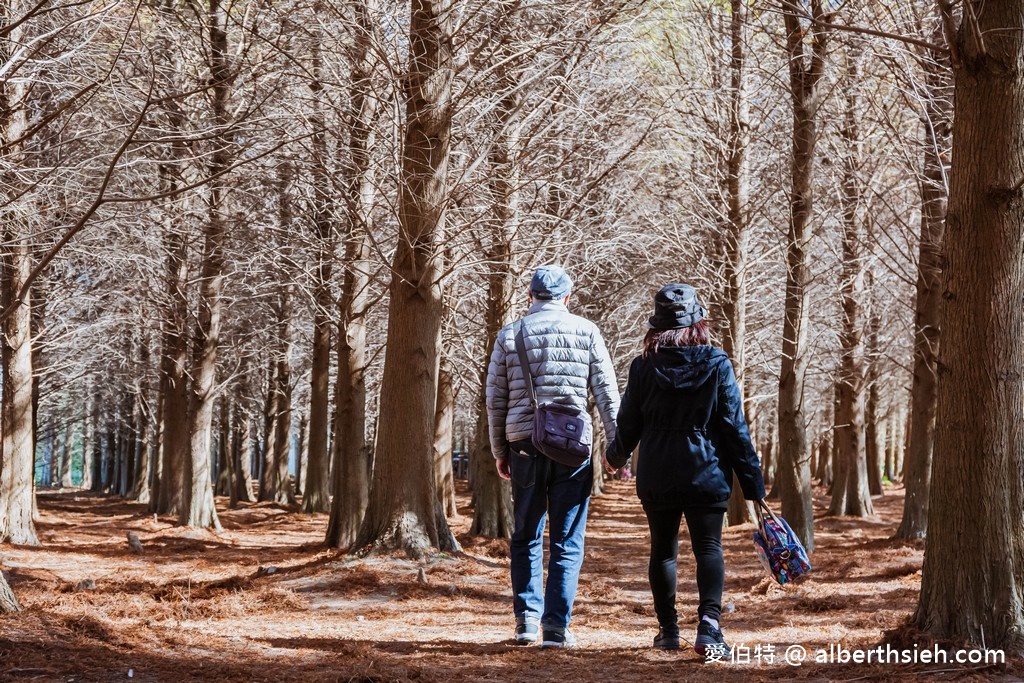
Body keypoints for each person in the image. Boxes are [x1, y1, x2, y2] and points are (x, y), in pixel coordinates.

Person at [604, 283, 765, 657]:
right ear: (698, 323)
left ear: (657, 327)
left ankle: (668, 631)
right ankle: (709, 627)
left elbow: (628, 424)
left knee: (663, 550)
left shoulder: (644, 366)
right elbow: (733, 427)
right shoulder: (717, 364)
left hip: (658, 470)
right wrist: (753, 482)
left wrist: (614, 457)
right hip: (706, 470)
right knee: (709, 547)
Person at [486, 265, 620, 648]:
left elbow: (495, 400)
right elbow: (608, 395)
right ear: (567, 297)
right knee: (567, 539)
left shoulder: (509, 335)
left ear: (530, 296)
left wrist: (500, 451)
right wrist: (614, 449)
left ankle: (526, 621)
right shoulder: (588, 331)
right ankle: (557, 628)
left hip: (523, 444)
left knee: (526, 534)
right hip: (571, 448)